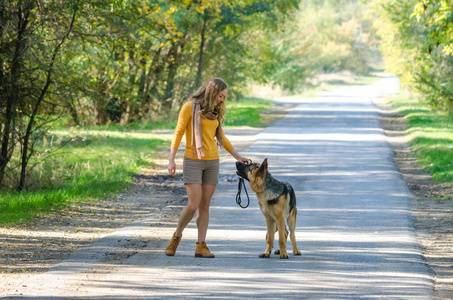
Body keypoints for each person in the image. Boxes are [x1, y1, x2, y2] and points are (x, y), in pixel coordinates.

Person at [166, 78, 249, 258]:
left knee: (204, 205)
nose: (222, 100)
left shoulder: (215, 111)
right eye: (220, 96)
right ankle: (176, 237)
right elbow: (179, 131)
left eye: (224, 97)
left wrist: (238, 157)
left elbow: (222, 138)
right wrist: (171, 159)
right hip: (193, 160)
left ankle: (201, 245)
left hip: (212, 162)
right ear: (212, 92)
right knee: (193, 204)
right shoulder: (190, 107)